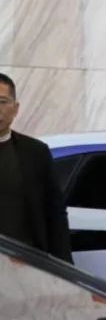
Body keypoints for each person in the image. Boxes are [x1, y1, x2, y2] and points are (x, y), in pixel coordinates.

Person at [0, 73, 71, 262]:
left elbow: (55, 212)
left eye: (2, 102)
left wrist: (63, 266)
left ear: (15, 108)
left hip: (26, 264)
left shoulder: (35, 152)